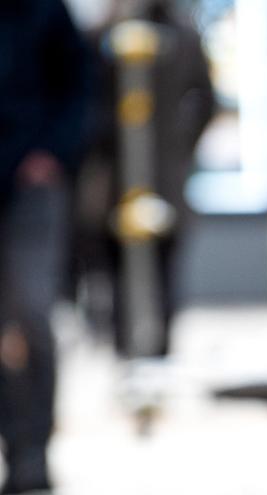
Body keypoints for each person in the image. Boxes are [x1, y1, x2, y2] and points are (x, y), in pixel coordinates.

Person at [0, 0, 93, 495]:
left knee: (31, 311)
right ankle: (14, 447)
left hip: (31, 183)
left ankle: (34, 453)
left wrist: (52, 153)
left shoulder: (42, 11)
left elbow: (79, 86)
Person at [88, 0, 214, 361]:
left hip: (161, 174)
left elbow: (204, 99)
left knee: (163, 272)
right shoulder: (106, 36)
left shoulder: (182, 39)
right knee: (120, 274)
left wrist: (179, 144)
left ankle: (155, 354)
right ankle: (129, 352)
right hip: (120, 174)